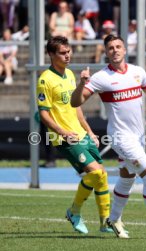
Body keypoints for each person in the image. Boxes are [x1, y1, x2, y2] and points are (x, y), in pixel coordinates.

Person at [71, 34, 146, 239]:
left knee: (127, 177)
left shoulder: (138, 72)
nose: (115, 50)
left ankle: (113, 219)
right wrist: (81, 84)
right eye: (110, 47)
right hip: (120, 137)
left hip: (138, 136)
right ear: (106, 52)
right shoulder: (101, 77)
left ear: (125, 49)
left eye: (118, 46)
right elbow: (75, 103)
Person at [36, 35, 113, 234]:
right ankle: (73, 211)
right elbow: (43, 114)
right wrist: (63, 132)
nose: (67, 55)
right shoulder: (45, 79)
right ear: (51, 54)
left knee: (102, 176)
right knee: (95, 172)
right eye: (62, 52)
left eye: (69, 51)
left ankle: (105, 222)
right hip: (65, 138)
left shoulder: (70, 75)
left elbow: (76, 107)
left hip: (81, 133)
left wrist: (89, 131)